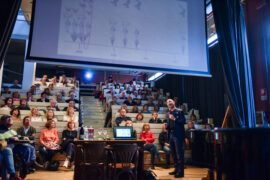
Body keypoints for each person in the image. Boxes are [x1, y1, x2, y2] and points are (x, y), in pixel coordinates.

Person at [0, 115, 35, 180]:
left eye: (11, 119)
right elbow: (1, 140)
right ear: (3, 121)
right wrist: (10, 138)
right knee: (8, 151)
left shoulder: (12, 130)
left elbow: (18, 136)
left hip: (13, 148)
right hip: (4, 148)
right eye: (8, 119)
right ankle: (13, 174)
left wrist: (23, 137)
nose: (10, 120)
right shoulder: (1, 130)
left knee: (28, 148)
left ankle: (25, 168)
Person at [166, 99, 186, 178]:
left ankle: (181, 172)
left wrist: (174, 119)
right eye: (167, 102)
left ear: (174, 102)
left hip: (178, 135)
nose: (169, 103)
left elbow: (183, 121)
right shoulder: (169, 113)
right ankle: (176, 169)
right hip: (171, 134)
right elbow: (169, 123)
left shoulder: (180, 111)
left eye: (170, 101)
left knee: (179, 154)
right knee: (174, 154)